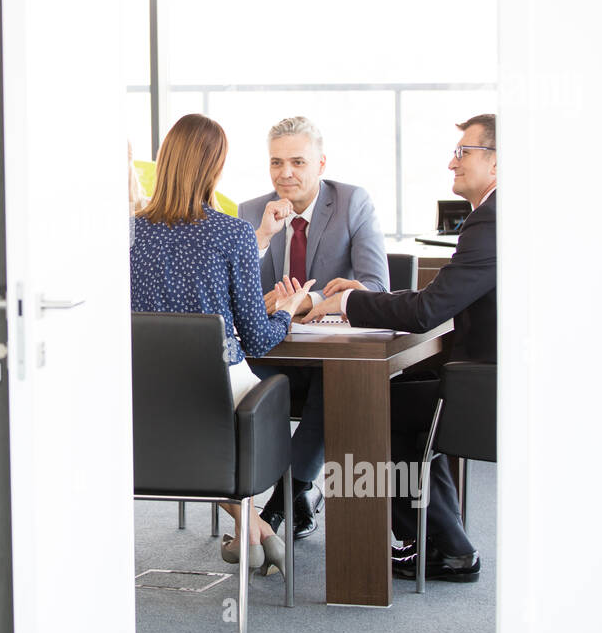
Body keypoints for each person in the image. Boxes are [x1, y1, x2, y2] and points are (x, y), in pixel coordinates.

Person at [302, 113, 497, 582]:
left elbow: (429, 310)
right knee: (396, 394)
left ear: (496, 162)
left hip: (487, 385)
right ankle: (442, 544)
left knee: (367, 402)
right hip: (481, 373)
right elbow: (436, 302)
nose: (452, 163)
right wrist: (365, 297)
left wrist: (349, 303)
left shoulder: (491, 221)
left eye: (462, 152)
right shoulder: (493, 217)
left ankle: (431, 547)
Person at [130, 114, 311, 573]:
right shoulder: (230, 232)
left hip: (142, 401)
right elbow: (257, 339)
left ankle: (251, 532)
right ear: (215, 168)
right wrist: (288, 310)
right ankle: (257, 526)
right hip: (217, 396)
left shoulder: (128, 233)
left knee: (193, 436)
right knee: (245, 411)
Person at [238, 117, 389, 539]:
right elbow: (238, 293)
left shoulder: (351, 202)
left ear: (320, 163)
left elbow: (377, 286)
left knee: (336, 382)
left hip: (330, 357)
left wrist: (313, 300)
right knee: (226, 377)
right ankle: (298, 492)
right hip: (273, 353)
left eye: (298, 162)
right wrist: (263, 241)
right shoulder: (252, 212)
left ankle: (281, 501)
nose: (285, 173)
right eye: (276, 162)